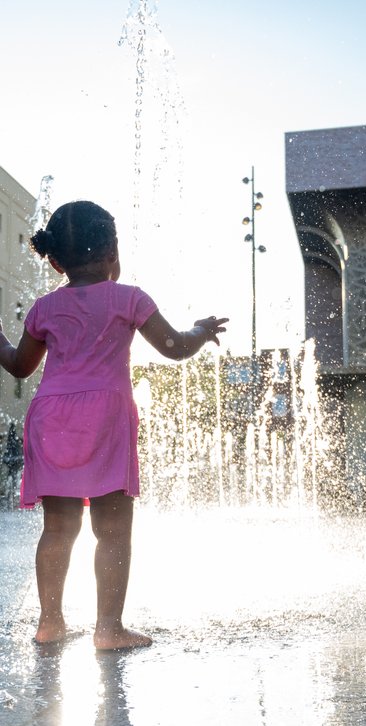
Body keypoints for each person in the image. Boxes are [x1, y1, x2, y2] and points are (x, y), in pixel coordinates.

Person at [0, 200, 228, 650]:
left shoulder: (45, 308)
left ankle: (49, 623)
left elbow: (20, 366)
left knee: (59, 528)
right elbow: (175, 347)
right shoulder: (129, 299)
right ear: (112, 253)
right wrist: (201, 332)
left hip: (51, 417)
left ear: (56, 260)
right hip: (104, 417)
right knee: (112, 530)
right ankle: (108, 628)